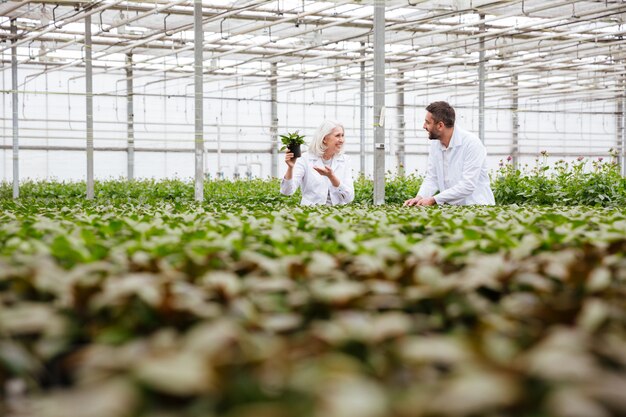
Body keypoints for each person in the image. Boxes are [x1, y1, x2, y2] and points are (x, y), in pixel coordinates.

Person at [404, 101, 495, 206]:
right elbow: (432, 178)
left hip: (478, 208)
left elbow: (468, 185)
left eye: (428, 122)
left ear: (440, 126)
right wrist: (419, 198)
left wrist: (434, 199)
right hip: (454, 209)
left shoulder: (471, 144)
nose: (424, 126)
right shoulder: (436, 145)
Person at [280, 120, 354, 206]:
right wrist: (290, 168)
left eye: (342, 135)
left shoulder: (345, 160)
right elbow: (287, 192)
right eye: (337, 136)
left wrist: (332, 177)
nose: (341, 140)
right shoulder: (305, 159)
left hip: (338, 214)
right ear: (324, 139)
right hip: (311, 213)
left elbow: (349, 198)